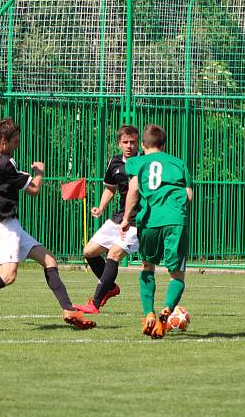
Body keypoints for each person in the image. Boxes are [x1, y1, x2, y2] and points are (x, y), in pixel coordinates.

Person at [0, 117, 96, 332]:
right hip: (3, 224)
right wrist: (40, 172)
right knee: (7, 275)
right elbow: (33, 190)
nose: (17, 146)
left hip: (5, 222)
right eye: (15, 142)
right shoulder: (4, 164)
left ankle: (68, 309)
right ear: (4, 141)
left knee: (49, 260)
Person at [120, 124, 193, 339]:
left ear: (143, 145)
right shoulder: (178, 163)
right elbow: (189, 196)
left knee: (147, 267)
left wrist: (126, 219)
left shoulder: (136, 162)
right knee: (177, 274)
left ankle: (149, 313)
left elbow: (133, 190)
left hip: (149, 221)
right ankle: (167, 310)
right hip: (174, 221)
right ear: (164, 145)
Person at [73, 125, 140, 314]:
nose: (129, 146)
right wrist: (101, 207)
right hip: (119, 217)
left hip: (137, 220)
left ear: (139, 143)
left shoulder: (144, 162)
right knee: (89, 252)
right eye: (125, 142)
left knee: (113, 255)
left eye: (133, 142)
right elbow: (111, 188)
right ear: (119, 143)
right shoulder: (115, 162)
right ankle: (109, 287)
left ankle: (94, 303)